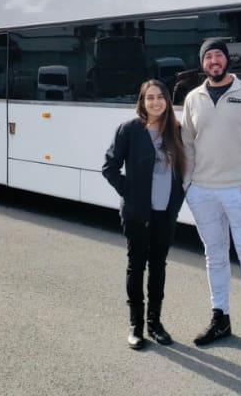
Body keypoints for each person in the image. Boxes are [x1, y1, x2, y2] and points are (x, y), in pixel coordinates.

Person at [181, 38, 241, 361]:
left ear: (227, 60)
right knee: (215, 256)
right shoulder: (193, 98)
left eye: (218, 55)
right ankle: (220, 318)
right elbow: (187, 145)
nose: (214, 61)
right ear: (203, 63)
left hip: (239, 191)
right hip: (203, 192)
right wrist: (188, 187)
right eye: (208, 56)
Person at [103, 79, 186, 350]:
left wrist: (177, 200)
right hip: (137, 212)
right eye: (149, 97)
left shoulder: (176, 131)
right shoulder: (129, 130)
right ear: (142, 101)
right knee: (136, 265)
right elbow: (110, 167)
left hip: (165, 212)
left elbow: (185, 170)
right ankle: (136, 325)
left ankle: (155, 323)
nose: (155, 102)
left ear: (167, 101)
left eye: (160, 97)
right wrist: (130, 192)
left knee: (158, 266)